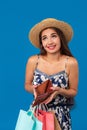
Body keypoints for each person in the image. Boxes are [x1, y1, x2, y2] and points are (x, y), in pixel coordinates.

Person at [25, 18, 79, 130]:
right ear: (42, 43)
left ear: (60, 38)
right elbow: (27, 84)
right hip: (37, 113)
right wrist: (34, 90)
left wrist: (60, 91)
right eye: (44, 38)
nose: (49, 42)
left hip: (60, 115)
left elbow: (73, 91)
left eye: (53, 36)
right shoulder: (33, 60)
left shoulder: (71, 63)